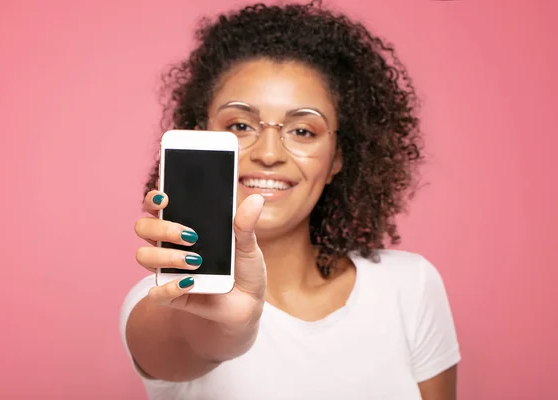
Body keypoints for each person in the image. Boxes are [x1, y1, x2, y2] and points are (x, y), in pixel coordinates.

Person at [120, 1, 461, 399]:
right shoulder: (171, 298)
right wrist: (230, 324)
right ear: (205, 139)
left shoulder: (410, 285)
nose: (268, 153)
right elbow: (196, 340)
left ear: (337, 159)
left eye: (303, 131)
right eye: (241, 125)